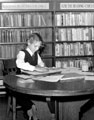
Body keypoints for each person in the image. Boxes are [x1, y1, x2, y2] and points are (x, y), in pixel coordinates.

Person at [16, 32, 48, 120]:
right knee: (22, 94)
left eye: (39, 47)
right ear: (29, 43)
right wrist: (35, 68)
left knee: (40, 90)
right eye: (35, 46)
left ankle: (37, 109)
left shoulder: (36, 54)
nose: (37, 49)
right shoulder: (22, 53)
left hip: (33, 80)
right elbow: (19, 64)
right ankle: (30, 109)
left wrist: (44, 67)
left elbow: (41, 64)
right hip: (21, 81)